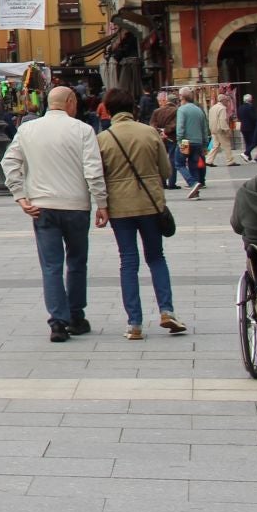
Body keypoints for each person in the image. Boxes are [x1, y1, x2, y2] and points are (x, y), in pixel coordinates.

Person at [0, 87, 108, 343]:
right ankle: (76, 315)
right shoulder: (83, 130)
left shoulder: (27, 130)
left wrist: (20, 195)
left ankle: (57, 322)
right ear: (70, 102)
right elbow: (93, 170)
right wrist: (101, 202)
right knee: (77, 262)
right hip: (76, 206)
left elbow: (9, 162)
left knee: (51, 266)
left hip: (42, 206)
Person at [95, 89, 187, 340]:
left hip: (120, 207)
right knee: (156, 257)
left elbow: (97, 176)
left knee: (128, 261)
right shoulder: (149, 133)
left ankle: (134, 323)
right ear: (133, 108)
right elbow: (166, 171)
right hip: (149, 203)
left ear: (109, 110)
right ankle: (167, 310)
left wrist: (101, 204)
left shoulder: (103, 138)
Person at [174, 88, 210, 200]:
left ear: (181, 97)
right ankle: (196, 192)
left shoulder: (182, 110)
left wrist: (179, 141)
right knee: (193, 165)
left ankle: (192, 183)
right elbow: (205, 128)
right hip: (198, 142)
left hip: (185, 141)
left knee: (179, 163)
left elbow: (180, 127)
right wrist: (205, 144)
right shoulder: (199, 110)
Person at [150, 91, 179, 188]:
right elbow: (175, 124)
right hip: (172, 138)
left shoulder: (156, 111)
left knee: (161, 159)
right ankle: (172, 183)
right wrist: (166, 131)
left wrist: (160, 131)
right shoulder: (176, 110)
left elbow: (152, 125)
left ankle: (162, 182)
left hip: (160, 138)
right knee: (172, 160)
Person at [237, 93, 257, 157]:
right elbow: (253, 117)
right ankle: (246, 153)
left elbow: (239, 117)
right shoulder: (250, 107)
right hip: (250, 127)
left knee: (247, 142)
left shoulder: (240, 107)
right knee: (254, 141)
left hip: (243, 127)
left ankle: (248, 156)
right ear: (250, 100)